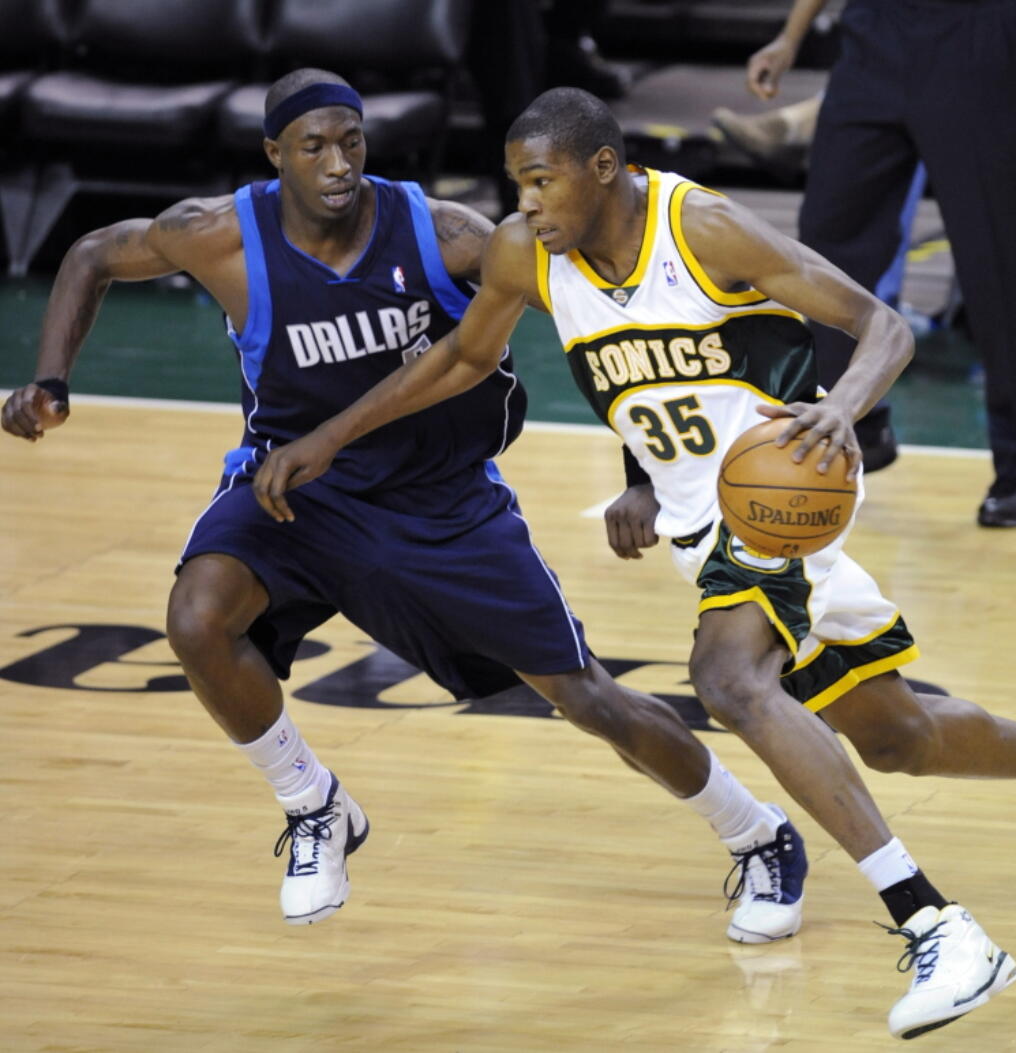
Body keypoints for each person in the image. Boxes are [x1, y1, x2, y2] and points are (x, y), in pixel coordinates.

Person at [249, 87, 1016, 1040]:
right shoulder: (531, 254)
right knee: (897, 736)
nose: (522, 204)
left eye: (540, 181)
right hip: (705, 522)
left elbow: (882, 326)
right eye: (516, 183)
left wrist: (842, 407)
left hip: (785, 492)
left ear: (603, 169)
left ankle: (939, 924)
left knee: (726, 676)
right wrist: (331, 437)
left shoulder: (706, 229)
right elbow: (459, 362)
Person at [0, 69, 823, 945]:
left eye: (351, 141)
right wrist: (51, 381)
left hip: (440, 503)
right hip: (295, 491)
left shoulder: (445, 233)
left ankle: (757, 832)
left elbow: (612, 325)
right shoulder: (216, 236)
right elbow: (92, 252)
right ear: (273, 155)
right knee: (198, 617)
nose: (337, 162)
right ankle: (314, 805)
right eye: (312, 146)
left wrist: (641, 472)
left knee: (587, 698)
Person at [740, 0, 1016, 528]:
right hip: (873, 35)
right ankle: (859, 420)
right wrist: (790, 35)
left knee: (1001, 261)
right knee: (830, 239)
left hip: (982, 41)